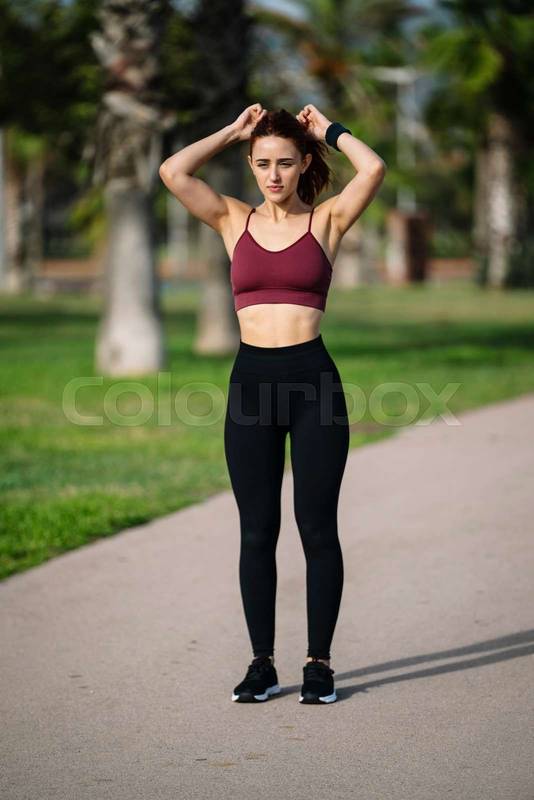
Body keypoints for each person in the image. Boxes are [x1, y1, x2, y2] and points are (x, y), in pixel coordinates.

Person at [159, 103, 386, 704]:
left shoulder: (329, 221)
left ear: (305, 162)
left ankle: (319, 663)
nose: (274, 175)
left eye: (286, 162)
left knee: (317, 528)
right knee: (257, 530)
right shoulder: (233, 220)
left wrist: (329, 130)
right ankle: (262, 664)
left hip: (313, 382)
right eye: (262, 164)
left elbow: (374, 167)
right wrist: (233, 132)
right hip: (251, 383)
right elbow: (173, 173)